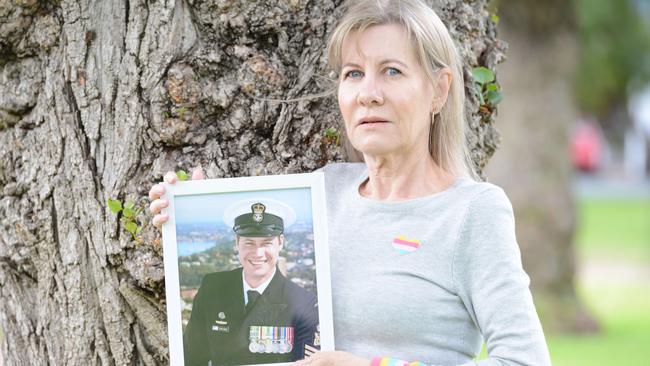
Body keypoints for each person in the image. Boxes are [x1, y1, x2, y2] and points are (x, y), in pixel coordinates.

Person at [149, 0, 552, 365]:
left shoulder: (470, 212)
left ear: (438, 90)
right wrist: (188, 208)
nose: (368, 94)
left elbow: (526, 361)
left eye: (392, 71)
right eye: (353, 73)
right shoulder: (324, 191)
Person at [182, 199, 319, 366]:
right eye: (249, 243)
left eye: (266, 243)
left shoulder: (303, 304)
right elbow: (191, 357)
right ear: (237, 243)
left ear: (280, 242)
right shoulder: (212, 287)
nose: (258, 253)